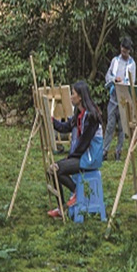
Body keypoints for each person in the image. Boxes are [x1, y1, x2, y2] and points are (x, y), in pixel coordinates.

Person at [46, 81, 104, 218]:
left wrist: (70, 157)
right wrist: (51, 121)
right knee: (52, 170)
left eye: (73, 94)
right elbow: (65, 127)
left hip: (90, 158)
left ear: (80, 97)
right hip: (81, 155)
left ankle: (76, 193)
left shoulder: (91, 116)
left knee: (57, 169)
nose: (71, 97)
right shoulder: (80, 113)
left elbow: (84, 142)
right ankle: (63, 205)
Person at [103, 37, 136, 161]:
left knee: (122, 128)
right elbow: (108, 76)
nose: (124, 52)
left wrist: (123, 82)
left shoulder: (132, 64)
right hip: (113, 98)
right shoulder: (115, 61)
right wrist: (114, 79)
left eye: (126, 51)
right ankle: (104, 151)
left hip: (124, 100)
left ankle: (118, 152)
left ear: (129, 50)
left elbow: (132, 82)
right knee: (110, 126)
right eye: (122, 49)